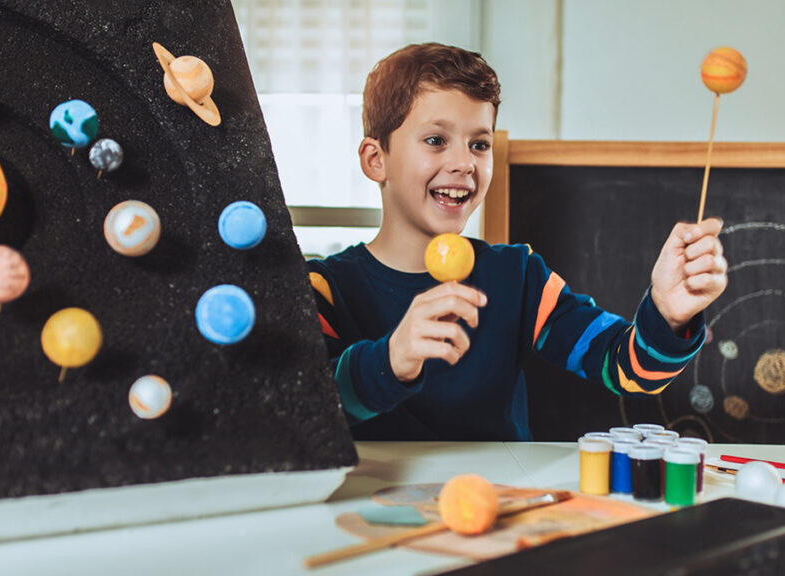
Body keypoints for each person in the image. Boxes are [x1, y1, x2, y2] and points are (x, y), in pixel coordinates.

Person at [306, 43, 728, 440]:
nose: (463, 163)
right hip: (372, 510)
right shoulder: (322, 288)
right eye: (436, 140)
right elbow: (306, 411)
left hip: (500, 505)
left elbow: (627, 368)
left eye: (479, 144)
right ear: (375, 160)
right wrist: (392, 358)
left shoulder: (517, 275)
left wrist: (668, 315)